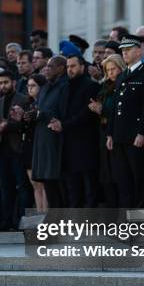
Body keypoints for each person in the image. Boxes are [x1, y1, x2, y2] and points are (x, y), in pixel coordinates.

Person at [106, 35, 144, 208]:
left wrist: (142, 132)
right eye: (123, 50)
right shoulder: (122, 75)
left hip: (135, 135)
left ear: (139, 50)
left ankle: (139, 218)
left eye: (128, 50)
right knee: (122, 179)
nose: (124, 53)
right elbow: (114, 108)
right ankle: (126, 220)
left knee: (138, 177)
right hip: (119, 135)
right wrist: (110, 133)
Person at [0, 70, 31, 231]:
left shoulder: (24, 99)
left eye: (6, 82)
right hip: (1, 151)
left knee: (23, 187)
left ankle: (21, 221)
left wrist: (9, 125)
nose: (4, 86)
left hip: (17, 149)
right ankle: (7, 221)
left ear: (13, 82)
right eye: (2, 83)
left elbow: (26, 123)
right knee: (6, 188)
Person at [56, 55, 101, 207]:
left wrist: (65, 124)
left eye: (73, 66)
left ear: (82, 67)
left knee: (89, 185)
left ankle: (91, 223)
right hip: (67, 144)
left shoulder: (91, 86)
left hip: (85, 143)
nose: (70, 69)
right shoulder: (64, 87)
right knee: (71, 186)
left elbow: (86, 113)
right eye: (68, 67)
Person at [31, 56, 68, 207]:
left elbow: (63, 112)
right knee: (47, 181)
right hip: (42, 140)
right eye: (46, 66)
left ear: (61, 68)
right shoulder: (45, 87)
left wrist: (42, 115)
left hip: (56, 141)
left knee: (58, 182)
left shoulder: (65, 86)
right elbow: (40, 110)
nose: (47, 68)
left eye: (51, 66)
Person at [89, 54, 126, 207]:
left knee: (119, 176)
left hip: (118, 135)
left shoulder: (122, 85)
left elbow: (121, 112)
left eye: (113, 69)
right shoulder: (104, 87)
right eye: (107, 70)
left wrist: (102, 110)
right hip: (103, 133)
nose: (110, 73)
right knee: (106, 177)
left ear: (121, 68)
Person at [19, 73, 48, 212]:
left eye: (33, 86)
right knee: (34, 184)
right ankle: (39, 214)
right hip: (29, 146)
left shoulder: (45, 103)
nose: (29, 89)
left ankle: (45, 215)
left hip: (41, 146)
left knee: (43, 184)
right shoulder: (28, 104)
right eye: (28, 86)